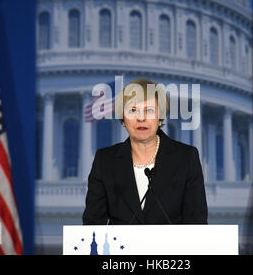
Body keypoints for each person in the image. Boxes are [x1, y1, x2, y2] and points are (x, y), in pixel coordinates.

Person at [83, 78, 208, 225]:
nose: (141, 118)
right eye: (133, 110)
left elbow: (196, 222)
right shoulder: (105, 161)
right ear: (123, 119)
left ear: (160, 118)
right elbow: (93, 224)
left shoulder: (186, 158)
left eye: (149, 110)